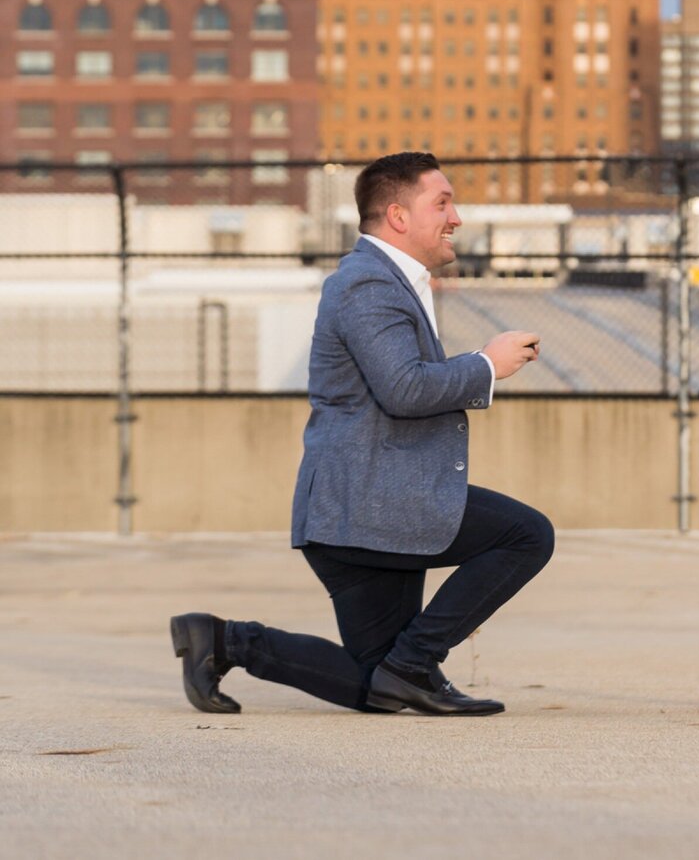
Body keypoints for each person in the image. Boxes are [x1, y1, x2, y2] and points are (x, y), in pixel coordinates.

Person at [170, 151, 554, 717]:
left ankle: (222, 640)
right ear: (398, 216)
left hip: (364, 512)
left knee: (375, 686)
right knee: (526, 535)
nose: (457, 217)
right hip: (371, 505)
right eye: (442, 203)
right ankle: (416, 663)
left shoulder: (386, 282)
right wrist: (486, 364)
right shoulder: (367, 285)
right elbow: (403, 388)